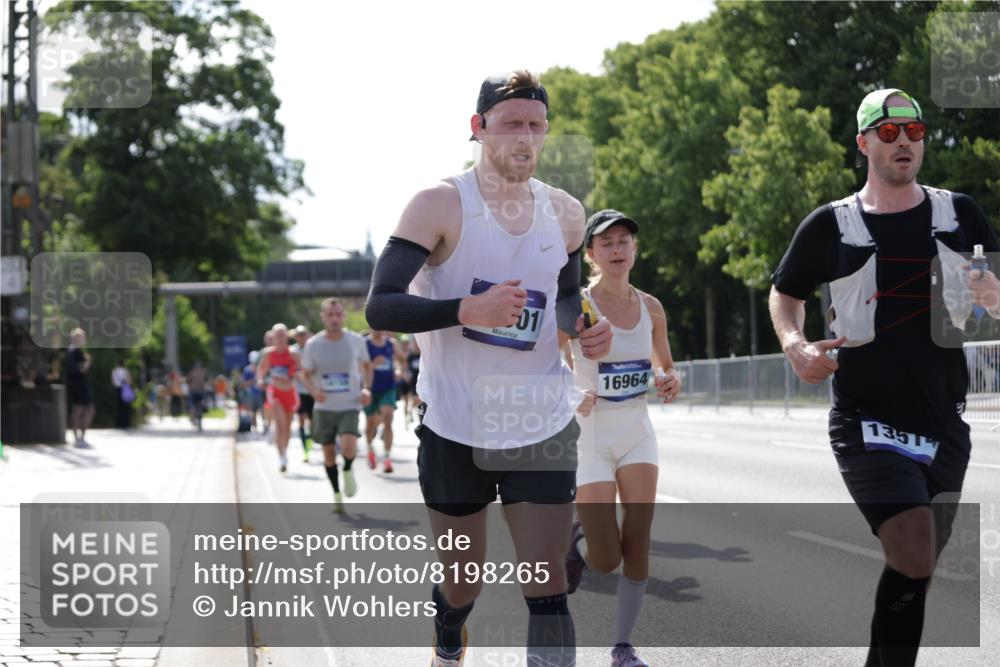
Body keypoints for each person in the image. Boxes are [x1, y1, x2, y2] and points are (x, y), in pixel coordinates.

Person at [365, 70, 612, 667]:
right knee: (462, 583)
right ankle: (448, 631)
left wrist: (583, 323)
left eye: (536, 126)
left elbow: (565, 293)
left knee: (546, 581)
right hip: (455, 427)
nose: (525, 138)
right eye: (511, 125)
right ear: (478, 129)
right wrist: (463, 309)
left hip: (540, 423)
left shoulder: (567, 213)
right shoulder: (440, 205)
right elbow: (380, 304)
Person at [769, 88, 1000, 667]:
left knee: (915, 568)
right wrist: (794, 344)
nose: (904, 143)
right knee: (914, 548)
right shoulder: (834, 224)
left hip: (944, 422)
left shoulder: (959, 214)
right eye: (890, 132)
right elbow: (786, 293)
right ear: (864, 142)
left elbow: (993, 295)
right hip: (867, 421)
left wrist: (993, 298)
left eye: (915, 133)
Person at [564, 210, 681, 667]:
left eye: (624, 241)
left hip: (637, 434)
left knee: (639, 538)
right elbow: (550, 365)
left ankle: (623, 647)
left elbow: (664, 364)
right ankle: (577, 543)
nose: (617, 249)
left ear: (635, 249)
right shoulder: (574, 304)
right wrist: (573, 390)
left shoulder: (651, 307)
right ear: (591, 254)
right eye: (607, 243)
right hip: (590, 439)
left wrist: (668, 379)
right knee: (607, 559)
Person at [300, 298, 372, 513]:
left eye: (338, 314)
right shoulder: (314, 344)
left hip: (349, 403)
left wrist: (367, 388)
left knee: (349, 445)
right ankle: (337, 493)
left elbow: (367, 366)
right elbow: (304, 375)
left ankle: (348, 468)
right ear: (323, 317)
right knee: (329, 454)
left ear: (344, 316)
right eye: (330, 315)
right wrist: (314, 392)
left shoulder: (355, 340)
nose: (334, 319)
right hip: (324, 408)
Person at [257, 324, 302, 472]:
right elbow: (261, 369)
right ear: (273, 337)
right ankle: (281, 457)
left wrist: (293, 376)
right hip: (274, 392)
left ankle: (284, 450)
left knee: (287, 428)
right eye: (278, 334)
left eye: (283, 334)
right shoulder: (268, 353)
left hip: (289, 392)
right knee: (280, 424)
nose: (280, 337)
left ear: (287, 336)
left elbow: (302, 370)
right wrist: (260, 380)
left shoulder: (293, 353)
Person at [363, 329, 403, 472]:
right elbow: (357, 367)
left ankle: (387, 457)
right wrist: (373, 365)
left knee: (388, 418)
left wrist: (399, 371)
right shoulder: (364, 344)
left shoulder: (391, 343)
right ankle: (370, 450)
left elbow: (401, 360)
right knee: (370, 424)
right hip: (370, 388)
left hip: (388, 387)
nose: (378, 329)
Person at [64, 328, 95, 446]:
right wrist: (88, 361)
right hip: (80, 385)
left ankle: (77, 436)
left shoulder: (70, 350)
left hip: (74, 384)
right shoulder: (76, 351)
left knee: (77, 410)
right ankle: (80, 437)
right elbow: (82, 369)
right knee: (88, 409)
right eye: (82, 337)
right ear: (77, 338)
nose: (83, 340)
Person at [291, 325, 315, 462]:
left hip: (311, 390)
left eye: (303, 334)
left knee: (312, 423)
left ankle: (309, 445)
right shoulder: (293, 350)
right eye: (299, 334)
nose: (301, 337)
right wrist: (295, 374)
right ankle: (305, 450)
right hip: (299, 390)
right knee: (300, 420)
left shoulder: (313, 348)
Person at [110, 359, 133, 429]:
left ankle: (118, 424)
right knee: (126, 408)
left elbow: (113, 381)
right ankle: (126, 424)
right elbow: (130, 381)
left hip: (118, 389)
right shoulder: (126, 371)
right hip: (125, 389)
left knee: (118, 408)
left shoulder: (114, 371)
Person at [187, 361, 208, 429]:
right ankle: (202, 409)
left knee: (192, 405)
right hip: (201, 390)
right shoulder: (203, 372)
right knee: (201, 403)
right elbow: (206, 381)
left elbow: (188, 381)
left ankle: (192, 417)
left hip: (193, 390)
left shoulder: (192, 372)